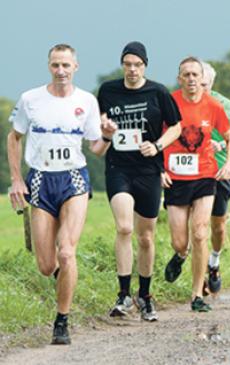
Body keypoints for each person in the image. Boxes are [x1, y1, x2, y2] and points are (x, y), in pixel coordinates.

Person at [7, 44, 114, 344]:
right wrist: (17, 179)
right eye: (56, 65)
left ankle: (61, 321)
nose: (61, 71)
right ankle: (64, 279)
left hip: (73, 179)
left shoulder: (87, 101)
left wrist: (107, 135)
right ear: (49, 67)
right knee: (45, 265)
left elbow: (95, 148)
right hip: (41, 177)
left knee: (67, 251)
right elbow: (13, 137)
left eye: (66, 65)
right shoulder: (31, 99)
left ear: (76, 67)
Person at [98, 41, 182, 322]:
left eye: (137, 65)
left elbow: (177, 127)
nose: (132, 70)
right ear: (122, 65)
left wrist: (157, 146)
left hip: (148, 171)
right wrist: (105, 129)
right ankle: (123, 294)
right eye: (128, 65)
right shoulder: (109, 91)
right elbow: (99, 124)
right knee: (124, 227)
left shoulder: (157, 92)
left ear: (145, 66)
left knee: (145, 237)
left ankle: (145, 295)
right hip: (118, 168)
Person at [162, 57, 230, 312]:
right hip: (176, 177)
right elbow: (156, 136)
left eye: (195, 74)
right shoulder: (169, 102)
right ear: (179, 78)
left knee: (201, 231)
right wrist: (160, 169)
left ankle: (196, 295)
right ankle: (181, 256)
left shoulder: (214, 106)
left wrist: (228, 164)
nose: (192, 79)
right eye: (187, 75)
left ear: (201, 78)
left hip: (205, 175)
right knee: (180, 241)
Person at [200, 62, 230, 294]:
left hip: (219, 171)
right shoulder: (181, 102)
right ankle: (198, 281)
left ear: (211, 84)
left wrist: (224, 142)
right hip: (193, 173)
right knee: (197, 226)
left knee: (217, 226)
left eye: (204, 84)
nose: (199, 88)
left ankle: (214, 262)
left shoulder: (223, 104)